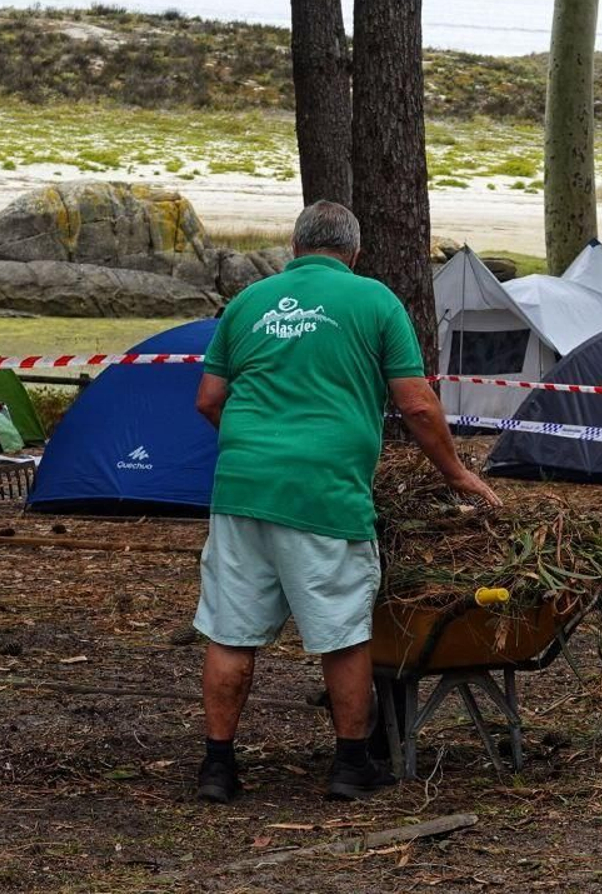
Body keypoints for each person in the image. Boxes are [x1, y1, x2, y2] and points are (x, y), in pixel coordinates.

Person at [193, 201, 502, 803]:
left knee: (231, 633)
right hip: (326, 490)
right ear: (354, 253)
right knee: (341, 631)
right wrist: (457, 474)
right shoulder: (375, 301)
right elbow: (415, 405)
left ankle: (217, 768)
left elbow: (209, 399)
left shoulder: (250, 302)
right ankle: (351, 764)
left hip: (242, 487)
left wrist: (260, 447)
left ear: (293, 246)